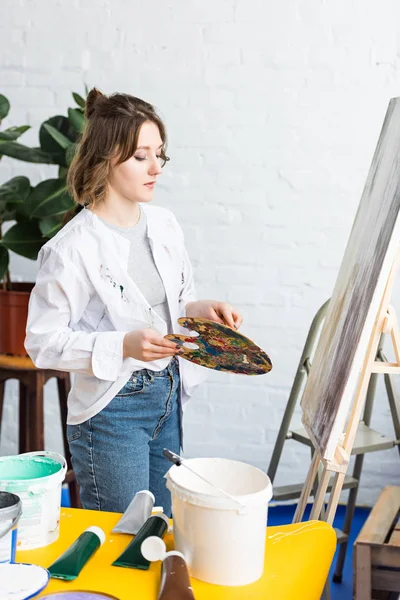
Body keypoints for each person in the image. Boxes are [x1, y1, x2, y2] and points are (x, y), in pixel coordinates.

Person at [25, 88, 243, 516]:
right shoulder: (71, 249)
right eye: (141, 156)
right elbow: (41, 342)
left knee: (158, 529)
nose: (156, 168)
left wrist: (197, 311)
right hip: (112, 412)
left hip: (168, 395)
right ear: (107, 157)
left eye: (160, 154)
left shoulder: (164, 224)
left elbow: (174, 301)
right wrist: (122, 345)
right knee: (120, 538)